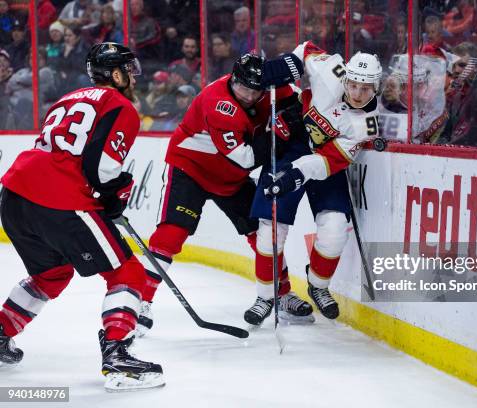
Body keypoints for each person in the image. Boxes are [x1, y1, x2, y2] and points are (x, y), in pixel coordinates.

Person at [0, 42, 164, 391]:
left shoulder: (68, 98)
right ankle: (118, 353)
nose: (133, 78)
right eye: (129, 71)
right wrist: (118, 191)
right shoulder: (120, 105)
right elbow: (101, 169)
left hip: (14, 194)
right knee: (128, 273)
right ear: (116, 74)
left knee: (52, 274)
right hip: (59, 199)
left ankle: (1, 332)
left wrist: (108, 194)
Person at [135, 53, 311, 336]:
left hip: (231, 180)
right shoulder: (218, 105)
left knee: (263, 233)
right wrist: (280, 131)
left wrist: (294, 109)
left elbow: (299, 100)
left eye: (257, 90)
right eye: (244, 88)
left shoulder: (269, 89)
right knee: (171, 234)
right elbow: (246, 157)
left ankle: (282, 293)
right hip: (191, 170)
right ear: (233, 79)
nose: (250, 96)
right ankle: (139, 301)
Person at [246, 41, 381, 324]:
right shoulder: (330, 71)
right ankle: (265, 296)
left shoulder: (366, 123)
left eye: (365, 88)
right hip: (293, 145)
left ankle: (318, 286)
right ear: (346, 76)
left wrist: (295, 175)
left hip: (322, 162)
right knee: (271, 228)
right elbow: (307, 48)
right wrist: (282, 67)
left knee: (334, 231)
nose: (357, 93)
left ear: (376, 88)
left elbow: (330, 161)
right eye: (354, 84)